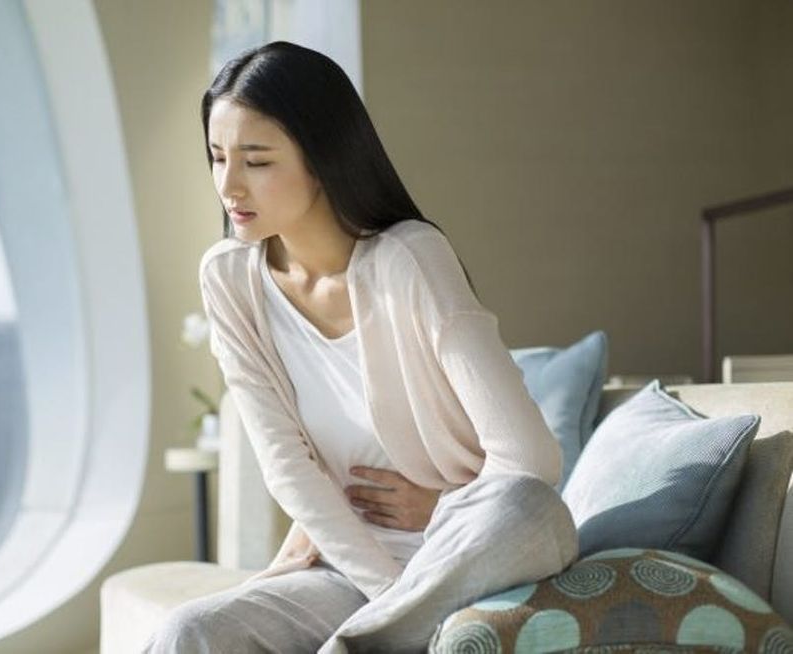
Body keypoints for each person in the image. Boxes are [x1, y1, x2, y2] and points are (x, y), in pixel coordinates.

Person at [144, 40, 578, 653]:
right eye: (217, 158)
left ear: (322, 157)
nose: (229, 185)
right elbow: (287, 466)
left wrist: (439, 510)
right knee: (187, 631)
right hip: (354, 568)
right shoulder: (229, 279)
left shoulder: (410, 258)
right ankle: (383, 637)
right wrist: (392, 593)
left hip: (474, 554)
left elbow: (530, 461)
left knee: (526, 506)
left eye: (257, 160)